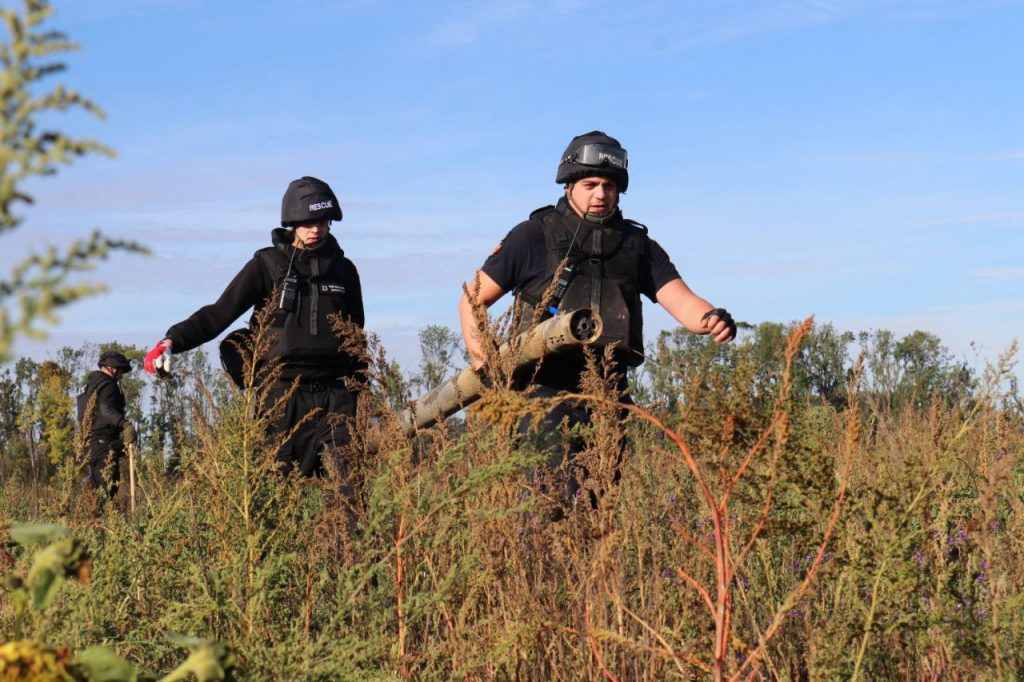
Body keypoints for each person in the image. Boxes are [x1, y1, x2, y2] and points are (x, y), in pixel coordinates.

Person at [457, 131, 736, 502]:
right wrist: (484, 364)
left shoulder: (638, 247)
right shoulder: (532, 237)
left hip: (608, 393)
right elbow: (471, 300)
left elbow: (682, 302)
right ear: (570, 184)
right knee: (549, 502)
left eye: (609, 185)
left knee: (598, 504)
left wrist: (712, 318)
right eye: (590, 184)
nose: (600, 194)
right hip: (542, 393)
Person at [143, 176, 365, 477]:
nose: (316, 229)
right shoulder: (267, 265)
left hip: (336, 397)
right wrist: (172, 341)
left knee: (348, 493)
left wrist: (364, 396)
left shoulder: (344, 271)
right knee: (274, 496)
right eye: (308, 221)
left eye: (323, 221)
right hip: (282, 396)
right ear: (293, 222)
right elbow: (220, 312)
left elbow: (356, 337)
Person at [77, 350, 137, 501]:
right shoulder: (108, 385)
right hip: (104, 445)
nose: (122, 375)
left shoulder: (87, 387)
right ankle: (100, 522)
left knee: (96, 491)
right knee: (106, 492)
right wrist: (125, 424)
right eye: (121, 370)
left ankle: (91, 519)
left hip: (88, 446)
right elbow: (105, 410)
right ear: (112, 368)